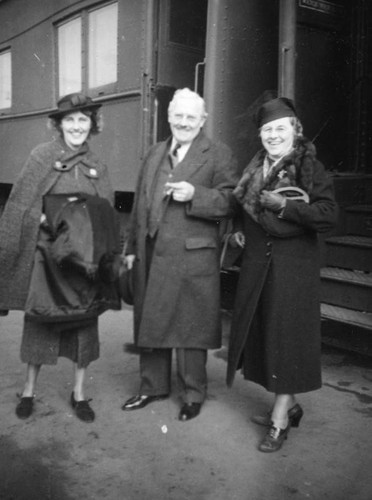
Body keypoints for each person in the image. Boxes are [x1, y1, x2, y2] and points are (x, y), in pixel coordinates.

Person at [226, 97, 338, 451]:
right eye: (267, 130)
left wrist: (287, 206)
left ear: (295, 130)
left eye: (280, 129)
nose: (273, 136)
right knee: (264, 337)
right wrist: (239, 230)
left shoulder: (310, 167)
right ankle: (289, 405)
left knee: (286, 340)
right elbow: (242, 207)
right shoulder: (254, 168)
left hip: (293, 269)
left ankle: (279, 421)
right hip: (260, 264)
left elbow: (328, 214)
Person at [0, 92, 120, 423]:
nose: (77, 126)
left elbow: (107, 211)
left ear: (92, 124)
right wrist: (47, 218)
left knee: (84, 327)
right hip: (47, 260)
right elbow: (22, 204)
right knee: (40, 324)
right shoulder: (41, 156)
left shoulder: (98, 165)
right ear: (59, 124)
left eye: (84, 119)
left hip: (83, 263)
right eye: (70, 120)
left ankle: (80, 392)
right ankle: (28, 390)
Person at [121, 88, 238, 421]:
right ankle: (152, 386)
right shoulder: (155, 153)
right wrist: (130, 249)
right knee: (151, 319)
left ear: (202, 121)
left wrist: (195, 194)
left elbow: (232, 201)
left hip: (192, 255)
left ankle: (193, 394)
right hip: (151, 252)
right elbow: (138, 205)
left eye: (191, 117)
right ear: (169, 117)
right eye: (179, 116)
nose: (184, 122)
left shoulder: (218, 153)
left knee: (190, 325)